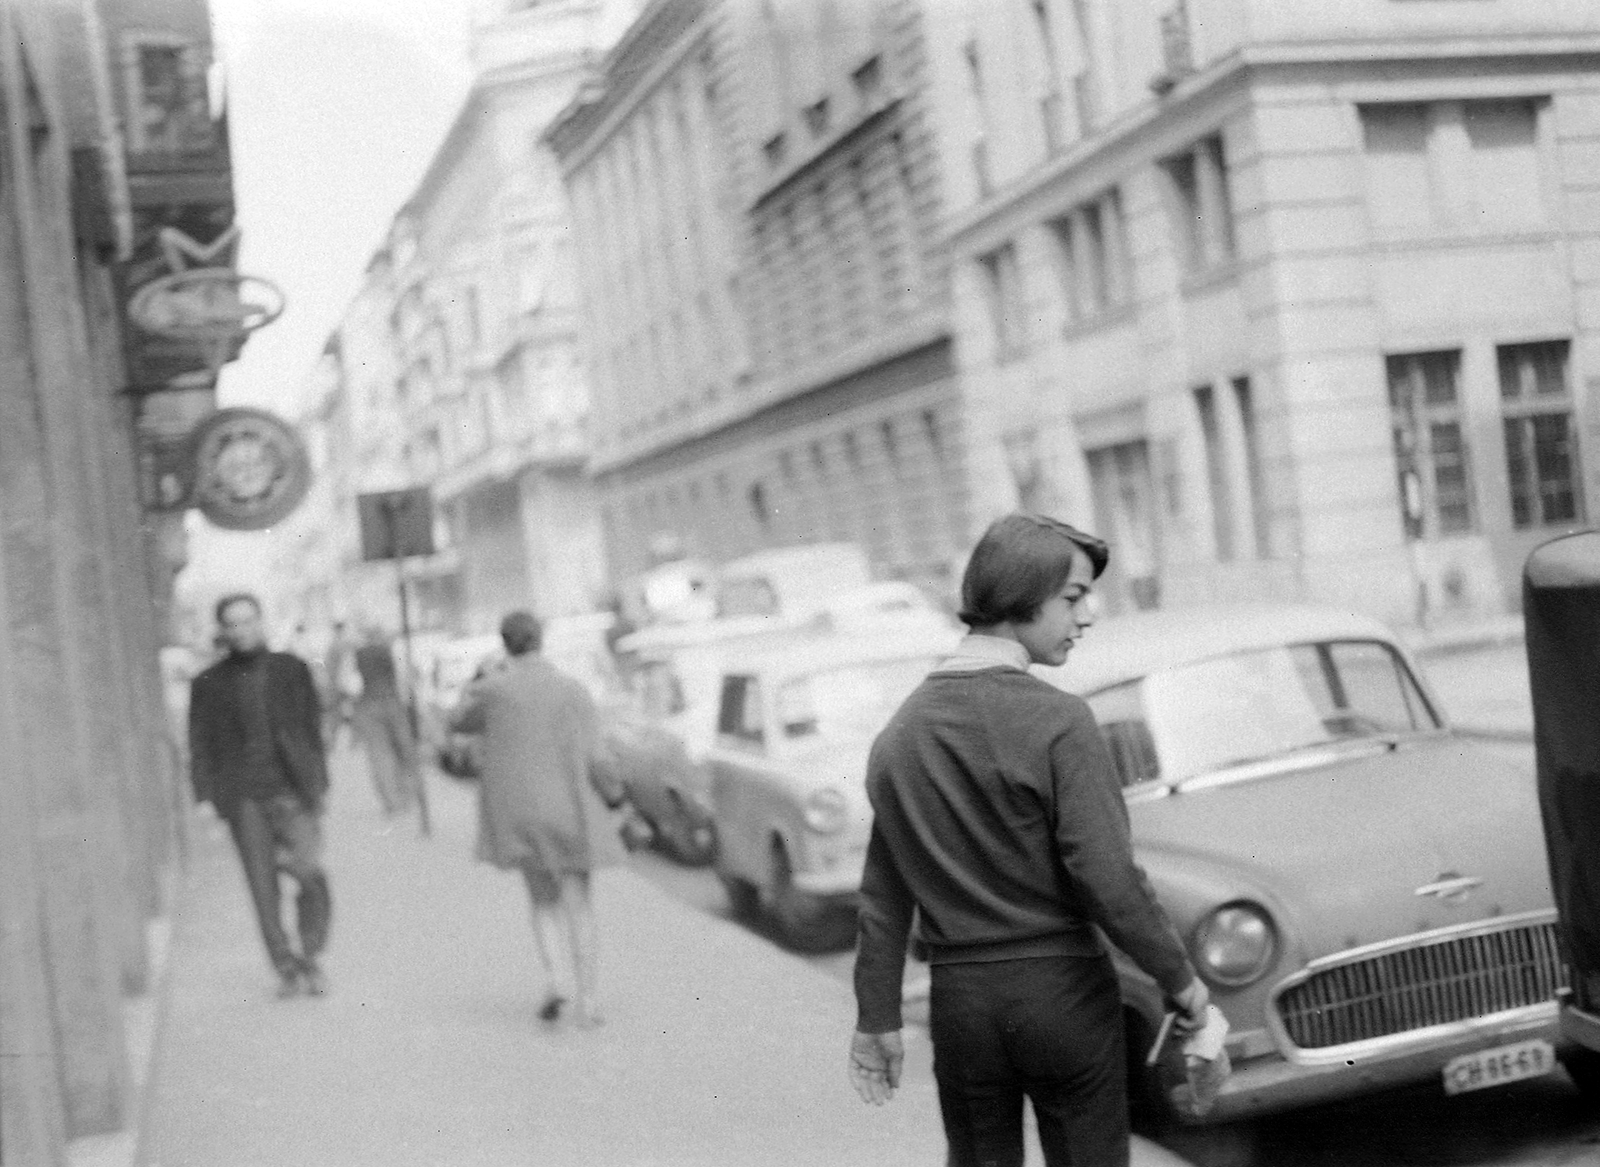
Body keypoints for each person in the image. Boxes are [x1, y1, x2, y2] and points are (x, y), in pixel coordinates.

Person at [848, 513, 1210, 1167]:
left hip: (961, 1006)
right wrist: (1181, 982)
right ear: (1020, 595)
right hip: (1062, 993)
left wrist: (876, 1019)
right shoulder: (1059, 720)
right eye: (1072, 597)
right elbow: (1108, 877)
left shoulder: (897, 738)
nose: (1087, 614)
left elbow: (882, 896)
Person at [449, 610, 625, 1028]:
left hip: (520, 816)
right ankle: (589, 1000)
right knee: (579, 905)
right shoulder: (573, 690)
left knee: (542, 900)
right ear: (541, 640)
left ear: (505, 644)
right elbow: (598, 757)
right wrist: (615, 794)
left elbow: (456, 720)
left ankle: (556, 979)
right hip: (569, 811)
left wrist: (482, 677)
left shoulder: (494, 691)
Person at [188, 593, 333, 998]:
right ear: (223, 631)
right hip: (243, 798)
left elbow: (312, 729)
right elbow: (199, 743)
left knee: (310, 872)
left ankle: (311, 954)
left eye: (248, 620)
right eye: (232, 624)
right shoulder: (208, 683)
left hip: (291, 790)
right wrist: (204, 798)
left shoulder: (292, 669)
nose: (241, 630)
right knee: (262, 886)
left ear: (261, 621)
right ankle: (287, 967)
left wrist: (318, 783)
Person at [348, 629, 422, 817]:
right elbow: (403, 676)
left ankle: (391, 802)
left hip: (369, 704)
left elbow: (352, 682)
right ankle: (406, 796)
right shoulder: (388, 650)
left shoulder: (359, 654)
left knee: (380, 756)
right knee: (404, 750)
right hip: (392, 701)